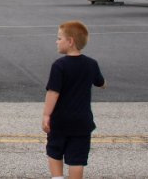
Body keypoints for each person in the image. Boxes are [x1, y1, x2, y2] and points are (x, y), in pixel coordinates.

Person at [42, 20, 106, 179]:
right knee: (77, 160)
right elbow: (100, 82)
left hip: (61, 120)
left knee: (55, 152)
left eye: (59, 38)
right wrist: (103, 84)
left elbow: (53, 92)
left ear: (70, 41)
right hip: (82, 121)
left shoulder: (59, 65)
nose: (56, 41)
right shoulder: (91, 64)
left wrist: (46, 115)